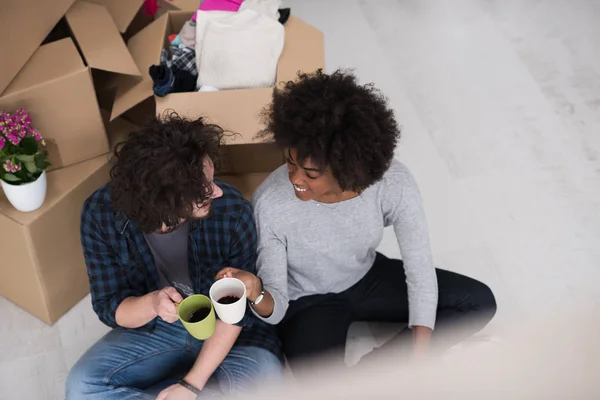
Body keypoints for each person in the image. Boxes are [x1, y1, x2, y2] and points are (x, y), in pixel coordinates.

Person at [217, 69, 497, 370]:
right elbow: (277, 307)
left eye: (311, 173)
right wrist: (257, 293)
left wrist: (417, 354)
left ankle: (371, 373)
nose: (294, 178)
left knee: (479, 302)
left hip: (366, 277)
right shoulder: (271, 200)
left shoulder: (393, 184)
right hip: (307, 302)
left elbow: (420, 273)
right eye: (290, 160)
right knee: (324, 387)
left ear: (349, 169)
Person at [66, 113, 283, 399]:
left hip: (230, 334)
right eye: (203, 192)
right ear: (165, 201)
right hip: (160, 328)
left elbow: (237, 314)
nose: (217, 192)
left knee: (266, 383)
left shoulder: (231, 210)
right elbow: (111, 306)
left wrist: (191, 384)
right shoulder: (100, 214)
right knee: (81, 387)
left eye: (212, 180)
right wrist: (154, 304)